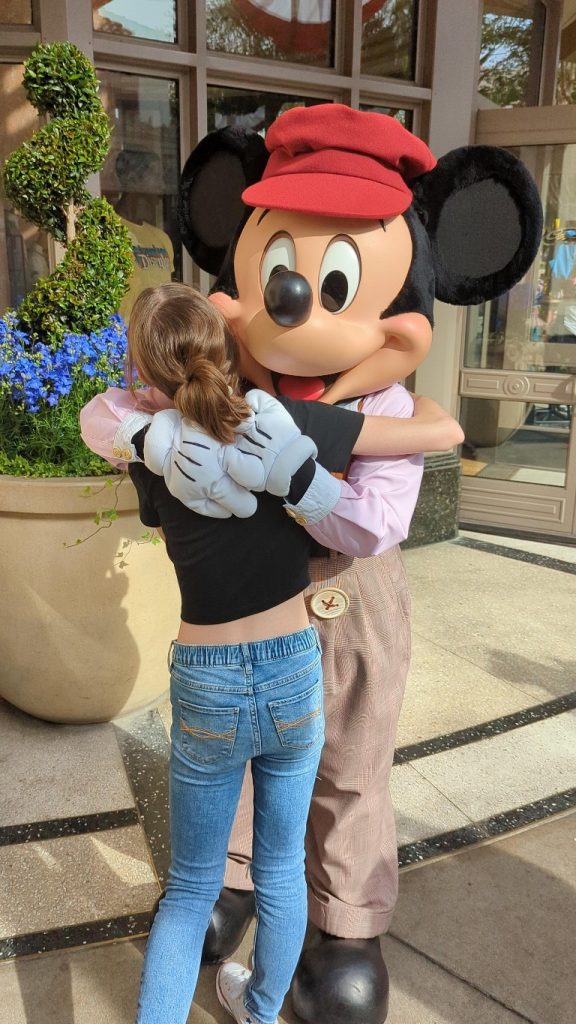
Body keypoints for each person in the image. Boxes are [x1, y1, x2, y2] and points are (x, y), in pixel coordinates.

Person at [91, 282, 462, 1024]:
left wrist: (146, 432)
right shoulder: (281, 419)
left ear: (144, 369)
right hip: (293, 664)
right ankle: (261, 1012)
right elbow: (428, 433)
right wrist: (302, 471)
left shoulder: (153, 456)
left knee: (190, 890)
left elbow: (105, 419)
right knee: (284, 868)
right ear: (227, 345)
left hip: (207, 678)